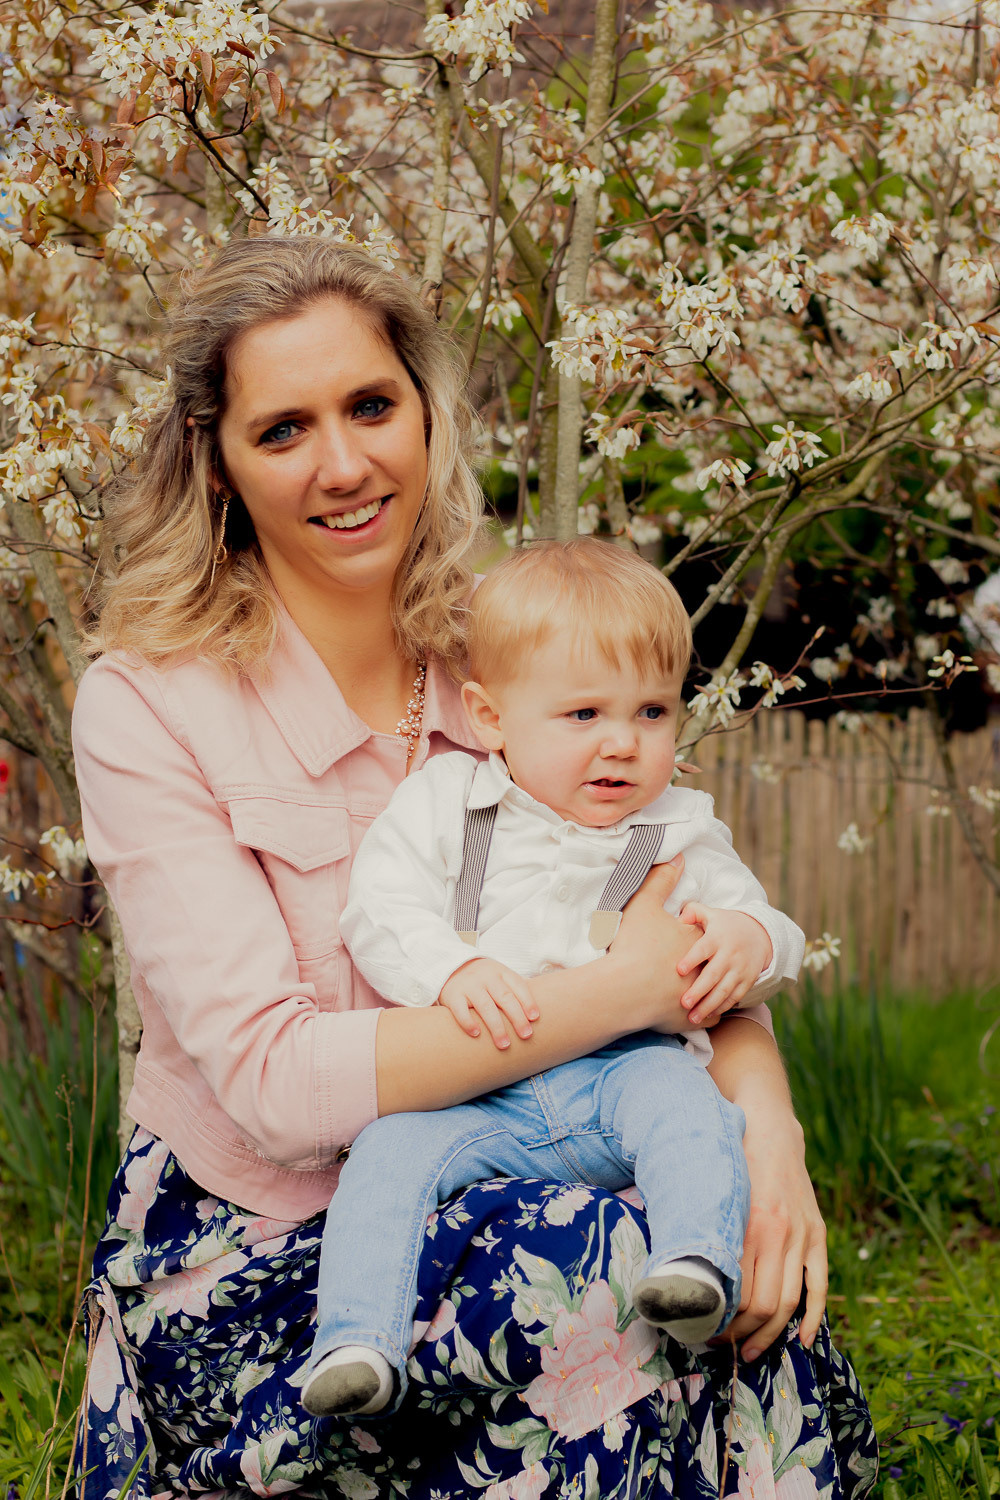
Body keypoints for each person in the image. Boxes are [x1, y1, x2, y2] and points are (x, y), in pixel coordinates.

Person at [71, 236, 876, 1498]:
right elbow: (282, 1084)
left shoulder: (509, 649)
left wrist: (766, 1136)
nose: (344, 464)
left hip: (544, 1147)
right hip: (268, 1233)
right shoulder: (150, 701)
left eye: (372, 406)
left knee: (709, 1252)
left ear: (425, 413)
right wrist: (621, 994)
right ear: (215, 462)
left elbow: (677, 898)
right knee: (604, 1270)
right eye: (283, 429)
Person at [302, 539, 805, 1419]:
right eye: (583, 716)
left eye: (651, 712)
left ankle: (694, 1265)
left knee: (691, 1110)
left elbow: (769, 925)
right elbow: (379, 907)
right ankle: (355, 1342)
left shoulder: (676, 829)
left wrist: (745, 939)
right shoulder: (450, 805)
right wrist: (451, 965)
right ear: (491, 718)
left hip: (621, 1077)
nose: (621, 743)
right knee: (385, 1156)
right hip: (476, 1093)